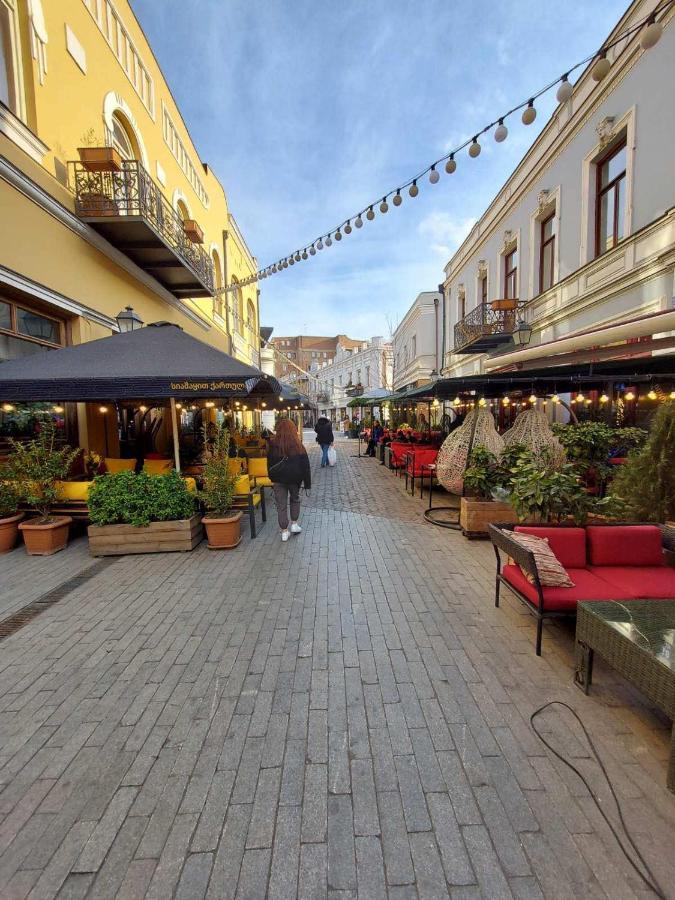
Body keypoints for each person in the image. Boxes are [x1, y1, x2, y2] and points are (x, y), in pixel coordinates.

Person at [268, 419, 311, 542]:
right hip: (295, 480)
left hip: (278, 480)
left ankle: (284, 531)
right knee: (295, 499)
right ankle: (294, 524)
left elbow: (269, 464)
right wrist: (307, 484)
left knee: (281, 505)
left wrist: (272, 478)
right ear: (293, 430)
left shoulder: (273, 445)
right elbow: (306, 466)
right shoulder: (298, 445)